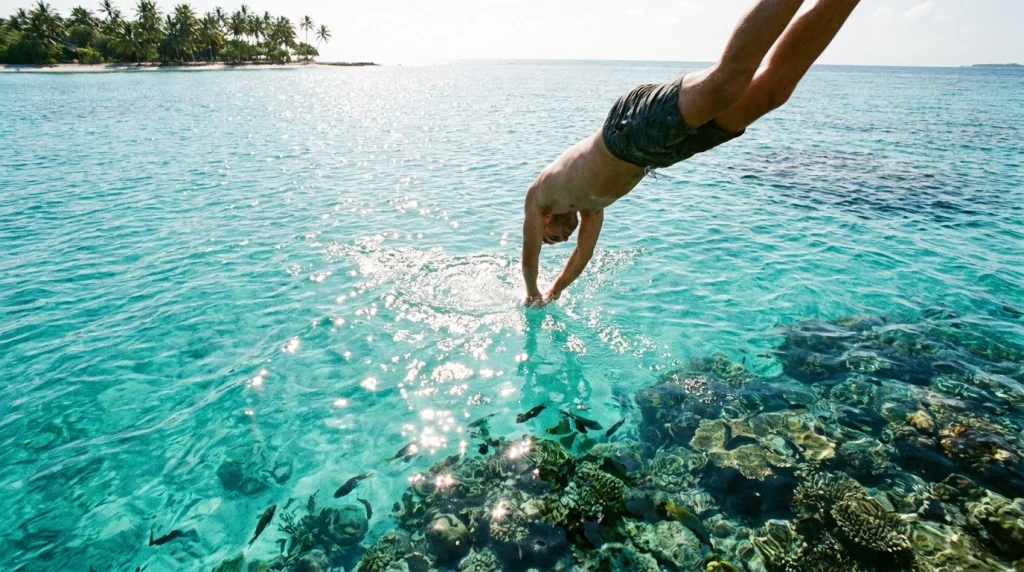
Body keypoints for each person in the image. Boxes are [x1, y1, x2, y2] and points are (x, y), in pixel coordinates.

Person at [521, 0, 861, 306]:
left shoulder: (540, 196)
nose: (561, 239)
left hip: (628, 130)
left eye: (552, 238)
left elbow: (529, 252)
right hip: (661, 153)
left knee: (726, 82)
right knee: (770, 94)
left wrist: (532, 290)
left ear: (545, 222)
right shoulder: (592, 209)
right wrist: (557, 290)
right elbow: (583, 253)